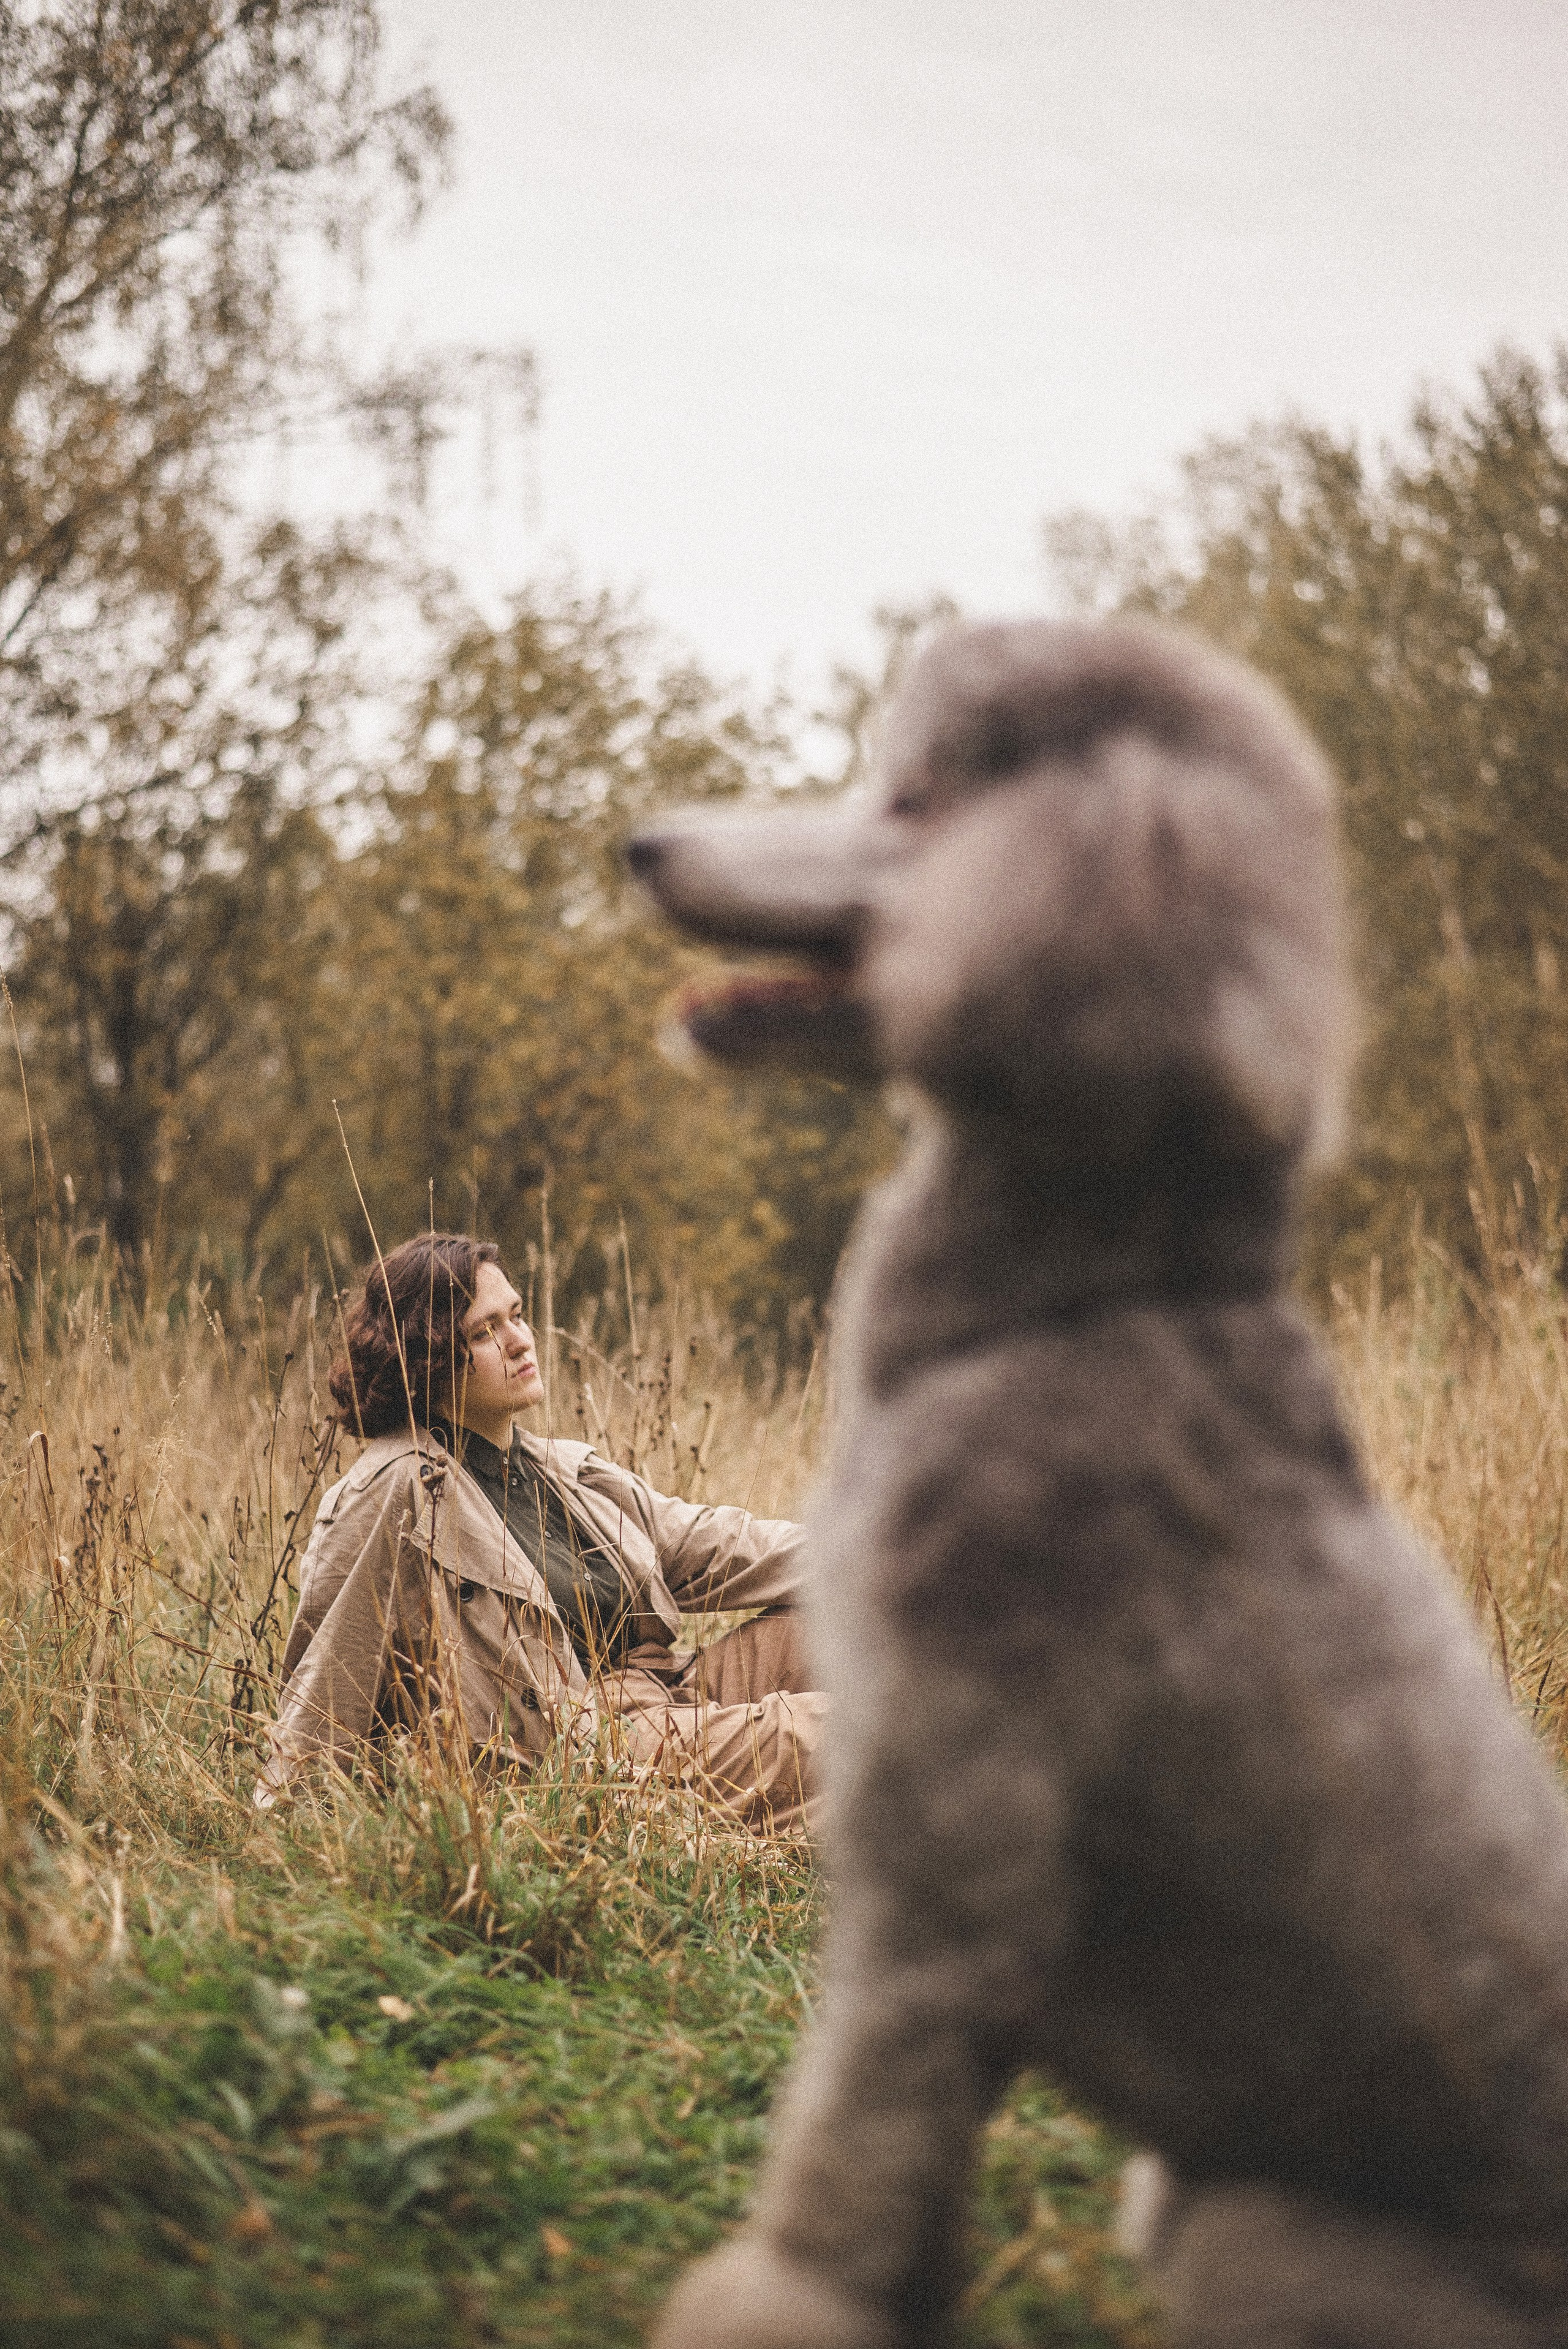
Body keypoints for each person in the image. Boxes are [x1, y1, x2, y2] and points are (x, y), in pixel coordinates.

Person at [257, 1233, 823, 1831]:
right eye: (484, 1332)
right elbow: (328, 1668)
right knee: (829, 1730)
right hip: (589, 1750)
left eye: (517, 1316)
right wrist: (289, 1822)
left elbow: (709, 1542)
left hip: (664, 1686)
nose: (520, 1341)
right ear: (427, 1357)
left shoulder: (559, 1468)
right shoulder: (399, 1490)